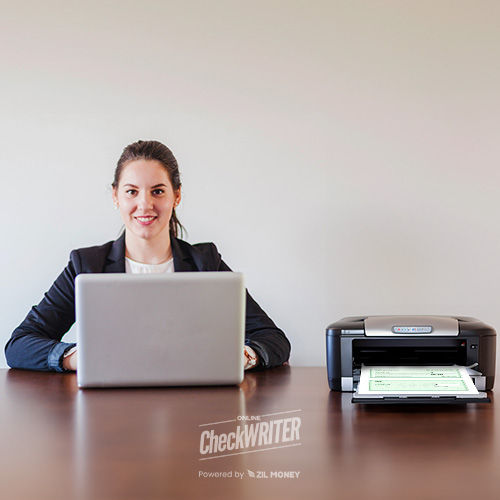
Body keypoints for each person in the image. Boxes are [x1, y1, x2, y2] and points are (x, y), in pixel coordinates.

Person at [5, 140, 290, 372]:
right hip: (109, 414)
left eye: (158, 191)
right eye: (132, 191)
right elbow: (19, 345)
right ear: (116, 196)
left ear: (176, 196)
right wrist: (76, 358)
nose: (145, 204)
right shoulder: (87, 266)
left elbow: (274, 339)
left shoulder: (206, 263)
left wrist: (246, 356)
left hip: (193, 410)